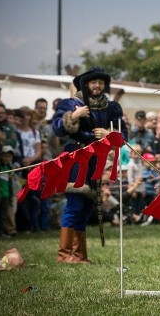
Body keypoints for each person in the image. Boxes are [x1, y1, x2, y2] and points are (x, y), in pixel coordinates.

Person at [51, 67, 127, 264]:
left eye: (101, 82)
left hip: (95, 161)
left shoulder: (112, 108)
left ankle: (79, 255)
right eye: (93, 82)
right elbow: (57, 129)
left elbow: (123, 135)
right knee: (74, 206)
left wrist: (109, 135)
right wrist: (75, 116)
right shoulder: (70, 104)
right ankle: (64, 254)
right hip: (76, 159)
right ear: (85, 84)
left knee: (85, 209)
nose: (97, 85)